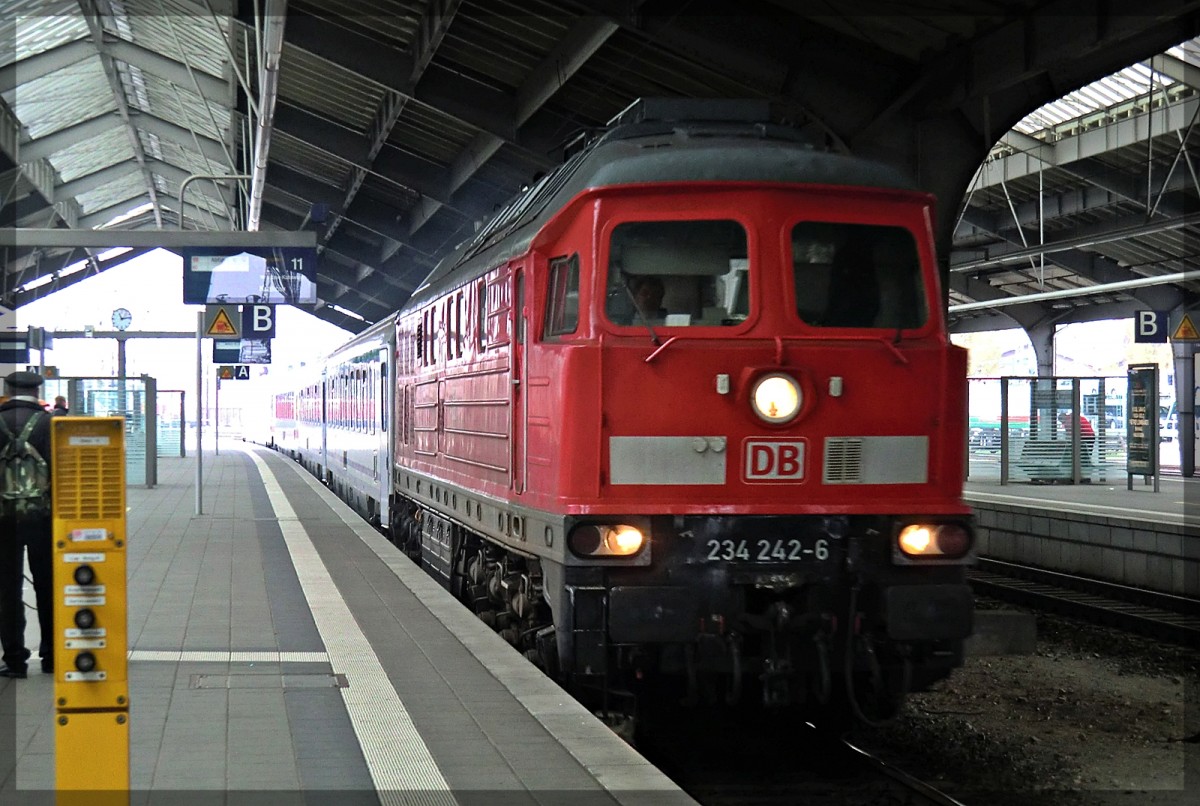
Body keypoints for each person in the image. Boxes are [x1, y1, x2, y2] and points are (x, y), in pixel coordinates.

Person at [0, 371, 54, 678]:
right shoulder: (50, 424)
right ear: (38, 391)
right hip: (42, 519)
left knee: (7, 590)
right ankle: (50, 657)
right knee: (47, 585)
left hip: (3, 520)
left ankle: (15, 659)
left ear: (7, 390)